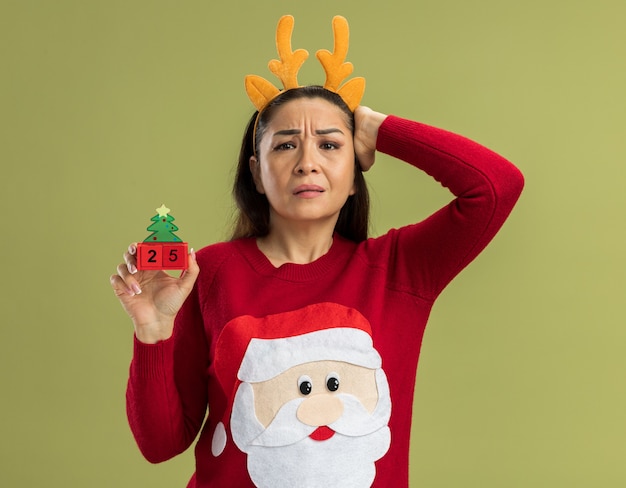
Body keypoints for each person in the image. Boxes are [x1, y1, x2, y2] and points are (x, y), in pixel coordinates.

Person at [111, 15, 524, 488]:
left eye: (330, 145)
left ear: (355, 173)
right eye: (285, 146)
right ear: (256, 171)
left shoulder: (399, 269)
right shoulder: (209, 272)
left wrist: (378, 128)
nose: (308, 162)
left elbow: (496, 187)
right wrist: (153, 331)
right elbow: (160, 446)